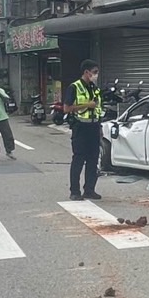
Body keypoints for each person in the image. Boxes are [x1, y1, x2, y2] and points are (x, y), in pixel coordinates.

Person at [64, 59, 103, 201]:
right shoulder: (74, 87)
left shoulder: (94, 88)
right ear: (86, 72)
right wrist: (87, 105)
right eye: (94, 72)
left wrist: (100, 127)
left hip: (93, 127)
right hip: (80, 128)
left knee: (93, 160)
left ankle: (89, 190)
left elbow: (98, 108)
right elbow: (67, 108)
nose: (96, 75)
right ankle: (75, 191)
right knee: (79, 159)